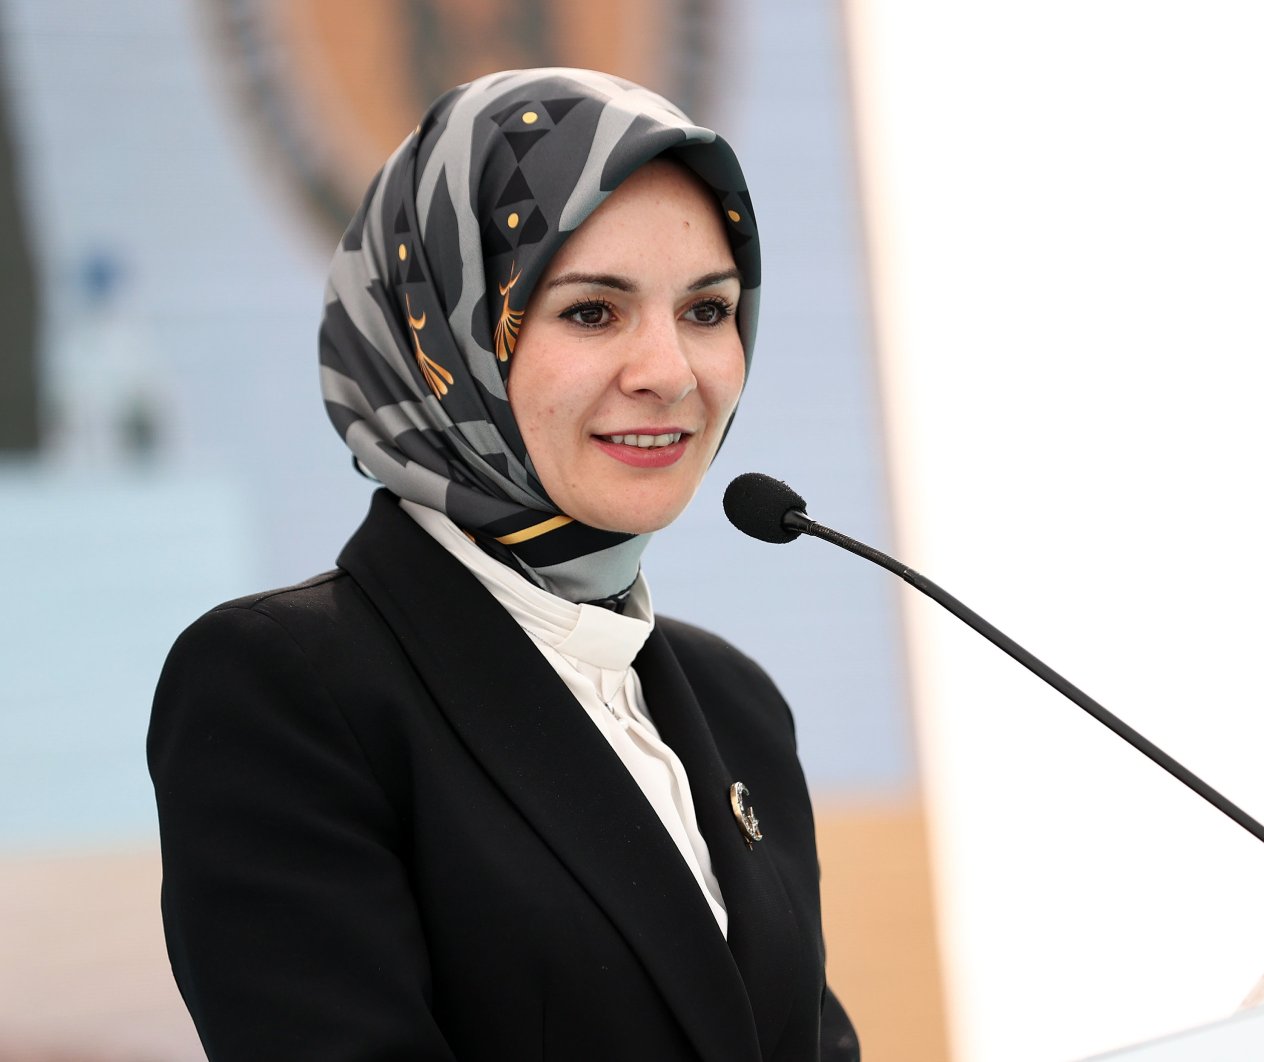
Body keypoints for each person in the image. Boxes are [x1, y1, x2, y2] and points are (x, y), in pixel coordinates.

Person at [148, 68, 859, 1062]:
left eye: (706, 311)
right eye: (592, 312)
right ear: (442, 334)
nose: (669, 371)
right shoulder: (286, 689)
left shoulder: (737, 706)